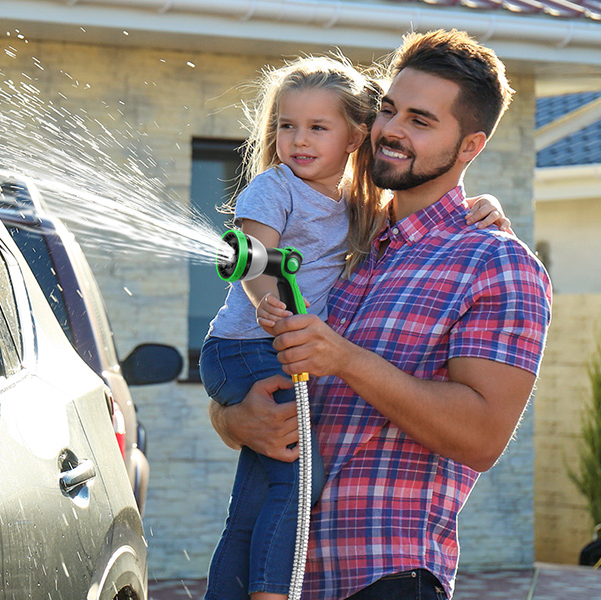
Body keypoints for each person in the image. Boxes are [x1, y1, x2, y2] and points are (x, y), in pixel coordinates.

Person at [210, 30, 553, 600]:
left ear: (469, 147)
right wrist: (232, 421)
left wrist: (343, 358)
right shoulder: (344, 238)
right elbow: (270, 379)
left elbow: (481, 437)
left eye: (421, 121)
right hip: (284, 574)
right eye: (388, 110)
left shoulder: (494, 263)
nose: (392, 130)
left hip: (384, 575)